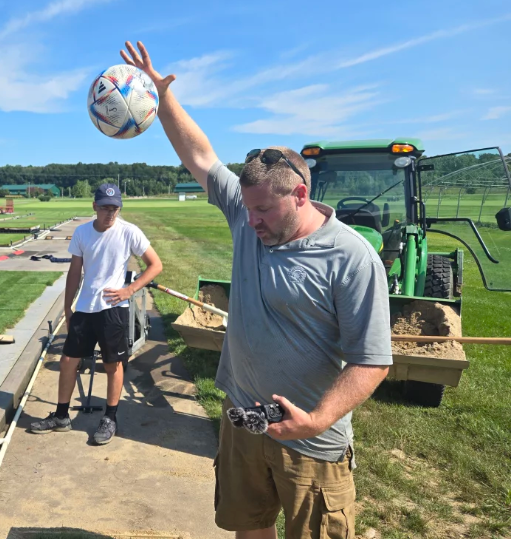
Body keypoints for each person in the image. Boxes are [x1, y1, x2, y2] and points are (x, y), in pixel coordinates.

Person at [120, 42, 392, 538]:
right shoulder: (249, 220)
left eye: (264, 211)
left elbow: (371, 360)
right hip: (243, 419)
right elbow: (200, 155)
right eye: (247, 209)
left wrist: (315, 420)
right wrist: (162, 99)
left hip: (313, 439)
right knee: (247, 528)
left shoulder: (350, 257)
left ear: (301, 195)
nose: (251, 221)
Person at [29, 183, 163, 445]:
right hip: (85, 308)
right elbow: (74, 273)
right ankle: (61, 415)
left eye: (115, 208)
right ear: (95, 207)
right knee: (68, 361)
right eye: (105, 208)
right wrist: (67, 310)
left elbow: (155, 265)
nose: (110, 213)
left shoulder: (129, 232)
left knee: (113, 364)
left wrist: (130, 290)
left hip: (113, 309)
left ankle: (110, 418)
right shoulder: (82, 233)